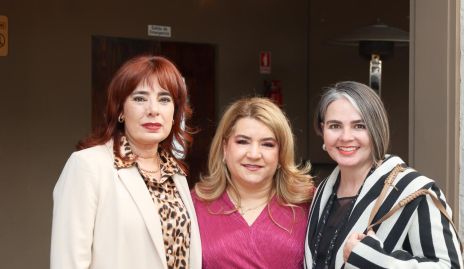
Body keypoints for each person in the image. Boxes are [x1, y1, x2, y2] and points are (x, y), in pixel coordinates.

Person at [51, 55, 201, 269]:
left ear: (175, 113)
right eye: (140, 98)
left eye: (164, 99)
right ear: (120, 110)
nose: (153, 109)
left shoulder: (176, 174)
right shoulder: (88, 166)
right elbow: (68, 263)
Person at [304, 81, 462, 268]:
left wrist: (373, 260)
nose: (346, 137)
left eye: (359, 126)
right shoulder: (322, 191)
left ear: (376, 130)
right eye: (335, 126)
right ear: (322, 130)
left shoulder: (414, 192)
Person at [193, 97, 314, 269]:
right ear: (225, 148)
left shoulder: (310, 204)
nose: (254, 154)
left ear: (281, 154)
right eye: (243, 141)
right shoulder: (194, 206)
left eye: (267, 144)